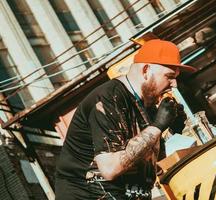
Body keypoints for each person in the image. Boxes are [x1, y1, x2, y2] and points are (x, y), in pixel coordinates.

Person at [55, 39, 196, 200]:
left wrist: (171, 128)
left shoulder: (147, 105)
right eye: (169, 76)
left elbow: (147, 164)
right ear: (145, 70)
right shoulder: (108, 98)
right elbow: (110, 169)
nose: (174, 84)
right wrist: (157, 126)